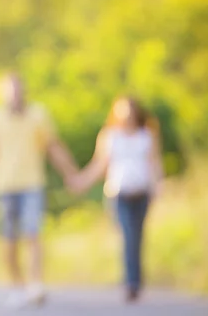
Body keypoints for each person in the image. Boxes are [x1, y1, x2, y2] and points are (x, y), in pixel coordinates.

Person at [0, 72, 77, 309]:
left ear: (24, 91)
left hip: (32, 184)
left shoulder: (38, 114)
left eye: (17, 90)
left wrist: (71, 173)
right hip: (3, 186)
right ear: (2, 94)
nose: (14, 95)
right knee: (9, 239)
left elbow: (53, 146)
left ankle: (36, 284)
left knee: (33, 233)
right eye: (9, 91)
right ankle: (17, 287)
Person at [68, 96, 163, 303]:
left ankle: (134, 279)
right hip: (119, 194)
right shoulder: (109, 136)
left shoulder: (146, 135)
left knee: (137, 237)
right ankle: (131, 282)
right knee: (127, 235)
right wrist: (80, 182)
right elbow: (100, 165)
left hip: (142, 192)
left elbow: (154, 163)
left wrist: (159, 186)